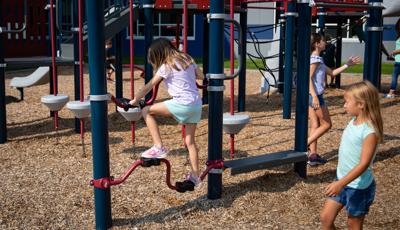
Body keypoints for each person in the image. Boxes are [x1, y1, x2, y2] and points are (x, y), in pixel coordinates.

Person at [129, 38, 204, 187]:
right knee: (190, 142)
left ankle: (158, 146)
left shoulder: (166, 65)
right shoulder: (187, 58)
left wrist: (134, 100)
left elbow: (148, 86)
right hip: (196, 105)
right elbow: (200, 76)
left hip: (182, 103)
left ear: (160, 53)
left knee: (146, 111)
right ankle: (196, 176)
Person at [320, 81, 383, 230]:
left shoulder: (369, 131)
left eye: (347, 102)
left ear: (361, 104)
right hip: (342, 180)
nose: (344, 105)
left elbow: (364, 164)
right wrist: (340, 182)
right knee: (325, 219)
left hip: (358, 187)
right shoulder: (353, 121)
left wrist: (340, 184)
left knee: (353, 225)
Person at [308, 33, 361, 166]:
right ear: (317, 44)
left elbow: (332, 73)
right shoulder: (315, 59)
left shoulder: (317, 59)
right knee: (327, 125)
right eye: (323, 41)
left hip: (311, 96)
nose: (325, 42)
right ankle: (304, 144)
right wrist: (315, 96)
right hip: (315, 96)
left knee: (315, 125)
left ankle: (312, 156)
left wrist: (347, 64)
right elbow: (308, 78)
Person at [384, 18, 400, 98]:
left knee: (394, 77)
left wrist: (393, 52)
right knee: (395, 76)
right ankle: (392, 93)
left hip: (399, 62)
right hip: (398, 60)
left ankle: (391, 93)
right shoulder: (398, 36)